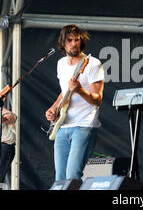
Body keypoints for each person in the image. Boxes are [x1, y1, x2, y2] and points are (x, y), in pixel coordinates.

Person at [45, 24, 104, 182]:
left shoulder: (92, 64)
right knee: (60, 179)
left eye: (77, 40)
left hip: (84, 125)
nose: (74, 44)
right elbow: (65, 92)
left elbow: (98, 99)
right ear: (63, 43)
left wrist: (80, 91)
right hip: (63, 126)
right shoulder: (61, 64)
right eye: (70, 40)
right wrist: (54, 107)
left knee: (72, 176)